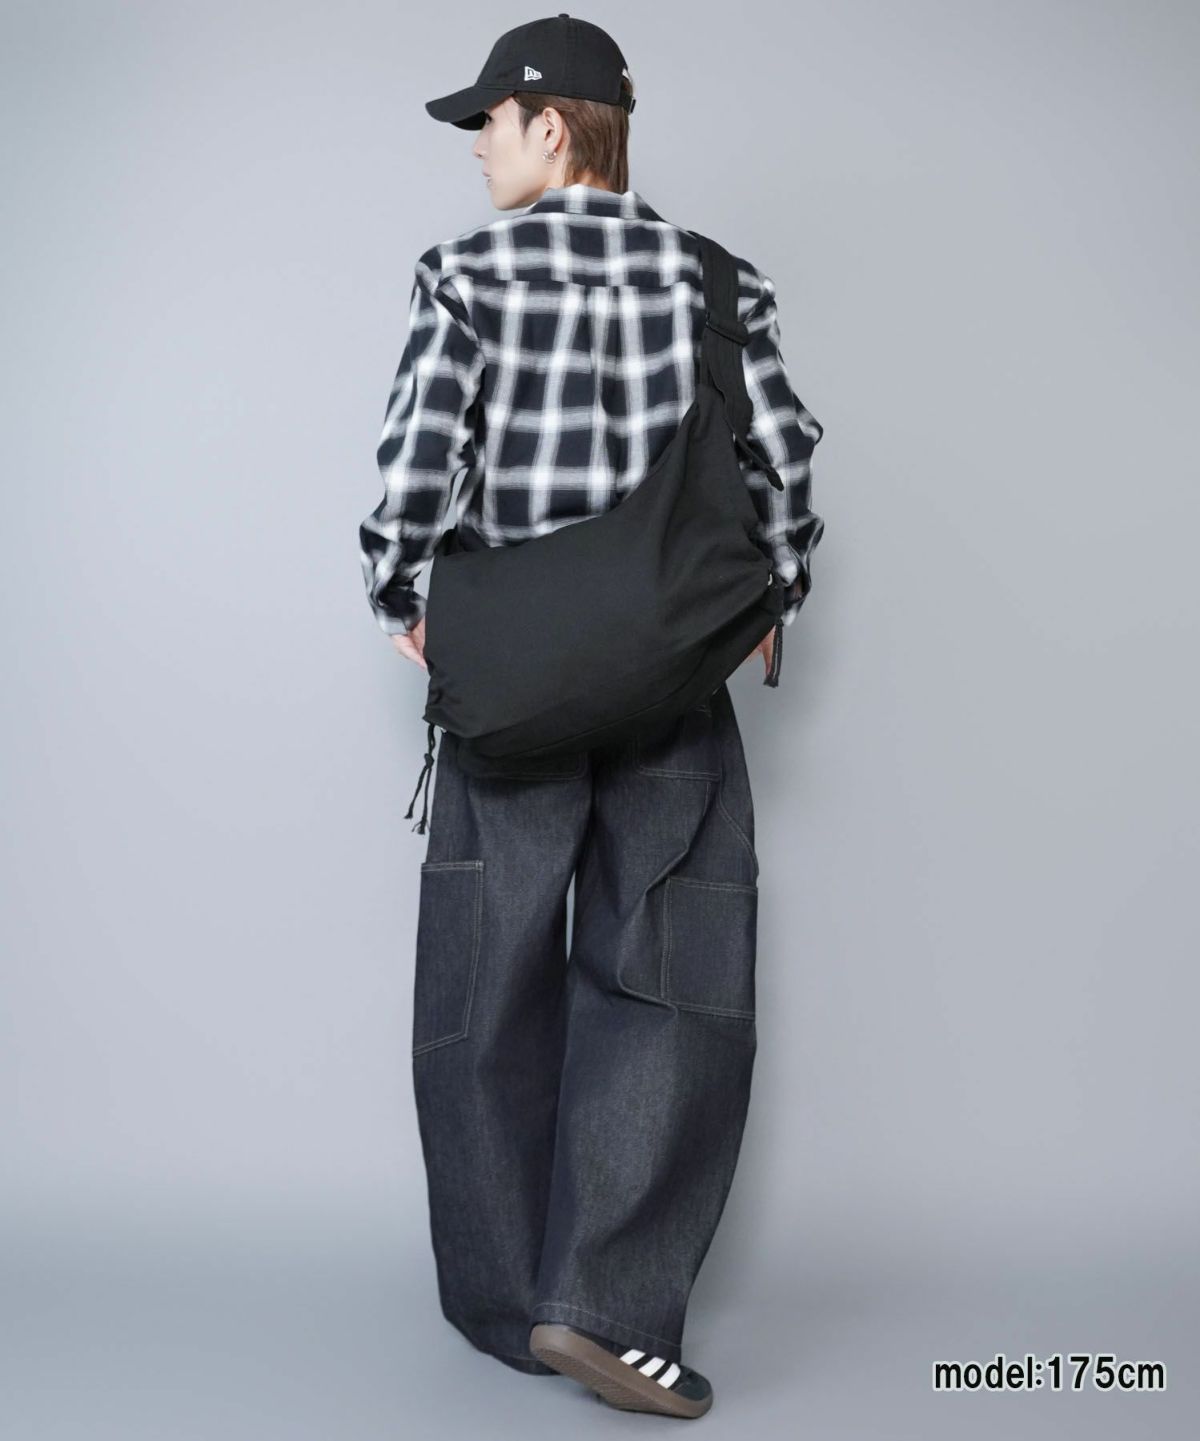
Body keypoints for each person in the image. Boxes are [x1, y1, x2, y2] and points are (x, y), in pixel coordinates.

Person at [358, 14, 824, 1420]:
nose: (478, 152)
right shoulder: (717, 282)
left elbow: (412, 466)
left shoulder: (465, 275)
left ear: (552, 126)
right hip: (670, 681)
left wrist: (402, 596)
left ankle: (509, 1305)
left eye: (489, 125)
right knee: (672, 983)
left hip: (509, 687)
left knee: (485, 990)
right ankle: (604, 1307)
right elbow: (784, 461)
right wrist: (773, 593)